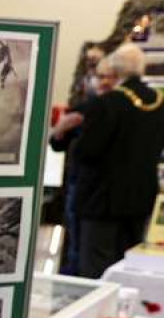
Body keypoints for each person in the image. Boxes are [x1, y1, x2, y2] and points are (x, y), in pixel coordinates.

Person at [75, 44, 164, 278]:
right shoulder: (159, 103)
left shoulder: (106, 103)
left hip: (102, 200)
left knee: (95, 269)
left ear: (114, 69)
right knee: (128, 268)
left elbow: (86, 152)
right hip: (140, 198)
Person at [49, 54, 118, 275]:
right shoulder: (85, 107)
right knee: (78, 248)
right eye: (100, 77)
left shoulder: (121, 109)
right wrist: (62, 128)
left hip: (106, 193)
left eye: (110, 77)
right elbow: (57, 144)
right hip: (81, 188)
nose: (105, 82)